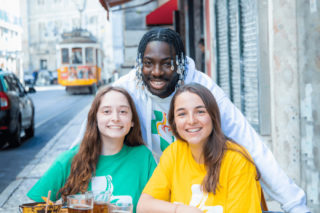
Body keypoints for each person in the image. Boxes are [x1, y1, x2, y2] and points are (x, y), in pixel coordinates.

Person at [75, 27, 309, 212]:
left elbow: (250, 143)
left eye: (167, 63)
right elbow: (89, 137)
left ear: (181, 63)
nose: (156, 72)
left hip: (202, 182)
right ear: (140, 63)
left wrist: (295, 205)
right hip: (156, 187)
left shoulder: (204, 90)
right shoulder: (126, 89)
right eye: (148, 64)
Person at [27, 86, 156, 212]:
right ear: (95, 118)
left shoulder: (143, 157)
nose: (115, 118)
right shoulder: (68, 160)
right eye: (106, 111)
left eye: (123, 111)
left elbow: (158, 204)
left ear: (132, 120)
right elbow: (32, 207)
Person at [137, 83, 262, 212]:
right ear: (173, 122)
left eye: (200, 112)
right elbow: (143, 206)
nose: (191, 120)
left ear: (213, 116)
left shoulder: (237, 160)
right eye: (182, 114)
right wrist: (179, 210)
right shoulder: (174, 152)